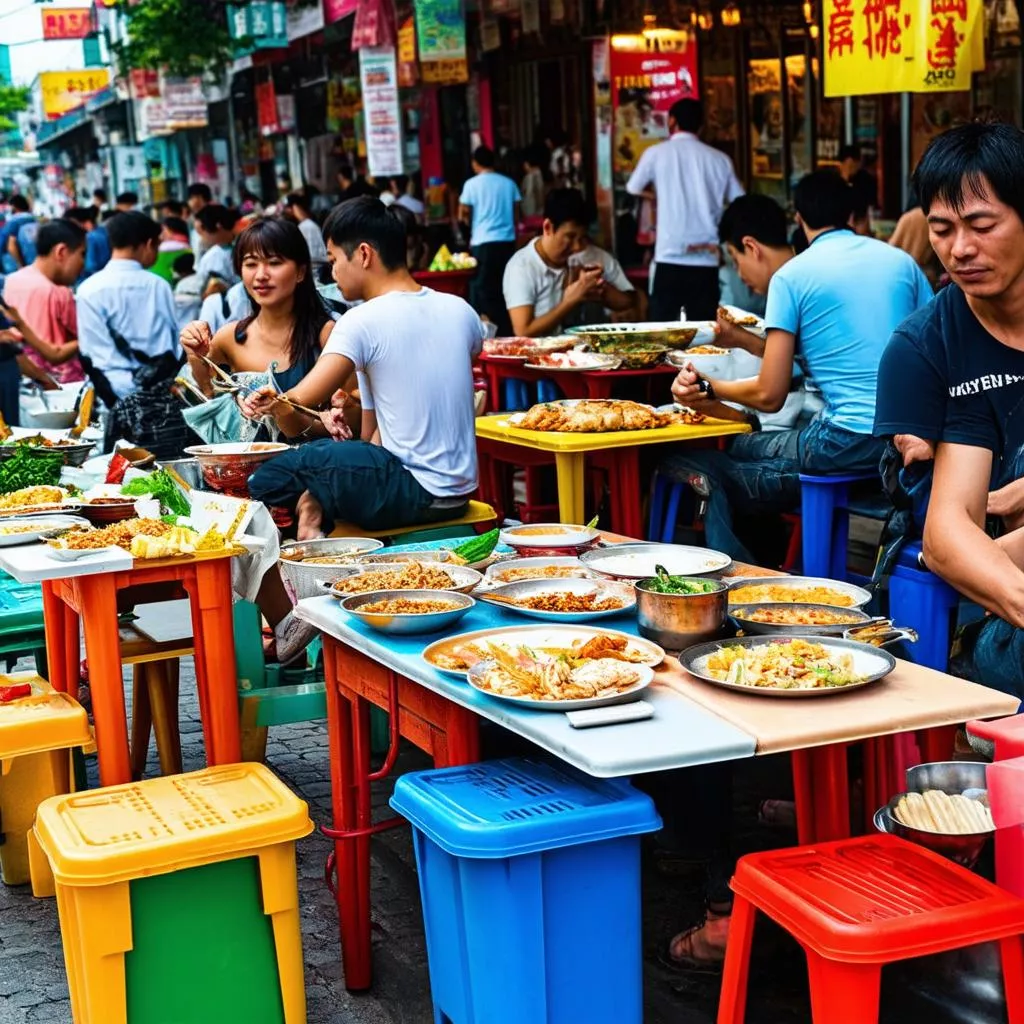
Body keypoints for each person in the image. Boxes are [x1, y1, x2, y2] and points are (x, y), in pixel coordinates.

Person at [665, 173, 933, 563]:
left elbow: (770, 396)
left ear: (800, 218)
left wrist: (709, 389)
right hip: (908, 437)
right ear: (852, 213)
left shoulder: (793, 276)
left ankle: (743, 567)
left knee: (739, 445)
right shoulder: (901, 262)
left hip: (844, 440)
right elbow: (927, 345)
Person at [872, 122, 1024, 698]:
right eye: (942, 229)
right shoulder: (930, 347)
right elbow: (946, 533)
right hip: (985, 605)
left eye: (982, 225)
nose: (960, 248)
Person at [240, 195, 485, 543]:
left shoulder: (360, 321)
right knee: (340, 457)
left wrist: (269, 398)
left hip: (411, 490)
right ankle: (313, 505)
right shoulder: (462, 310)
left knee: (269, 473)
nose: (332, 272)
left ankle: (309, 510)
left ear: (365, 254)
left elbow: (303, 396)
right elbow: (374, 435)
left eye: (334, 260)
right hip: (457, 493)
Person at [625, 99, 743, 321]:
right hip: (706, 259)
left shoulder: (656, 153)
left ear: (672, 121)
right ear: (701, 126)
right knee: (706, 330)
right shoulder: (720, 160)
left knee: (663, 330)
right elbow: (739, 202)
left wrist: (658, 196)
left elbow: (633, 187)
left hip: (669, 255)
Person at [75, 210, 181, 404]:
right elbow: (174, 342)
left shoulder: (88, 289)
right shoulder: (158, 286)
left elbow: (89, 351)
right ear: (150, 244)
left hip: (108, 394)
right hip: (156, 394)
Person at [503, 189, 635, 336]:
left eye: (581, 238)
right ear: (548, 227)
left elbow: (627, 302)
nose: (577, 246)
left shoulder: (589, 256)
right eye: (570, 237)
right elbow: (523, 331)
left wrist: (598, 288)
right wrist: (571, 300)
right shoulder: (522, 267)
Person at [2, 218, 86, 384]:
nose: (83, 263)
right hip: (65, 382)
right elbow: (73, 340)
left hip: (27, 379)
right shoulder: (59, 291)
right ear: (61, 252)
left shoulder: (12, 281)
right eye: (82, 254)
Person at [458, 146, 522, 334]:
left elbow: (463, 213)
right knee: (506, 286)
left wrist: (468, 228)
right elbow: (517, 213)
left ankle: (488, 331)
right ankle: (508, 327)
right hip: (507, 242)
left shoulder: (471, 184)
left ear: (475, 163)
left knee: (483, 289)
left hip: (482, 242)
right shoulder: (509, 183)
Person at [194, 205, 240, 298]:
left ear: (218, 225)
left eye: (202, 231)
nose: (202, 237)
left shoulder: (214, 256)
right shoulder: (213, 253)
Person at [282, 193, 328, 275]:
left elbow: (314, 257)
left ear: (295, 207)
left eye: (288, 207)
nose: (286, 211)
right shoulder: (304, 225)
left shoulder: (307, 226)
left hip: (317, 273)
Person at [63, 206, 111, 278]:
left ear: (87, 223)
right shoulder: (104, 232)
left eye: (72, 225)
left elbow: (90, 266)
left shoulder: (89, 238)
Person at [1, 195, 35, 274]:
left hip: (16, 268)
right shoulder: (34, 221)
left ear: (13, 207)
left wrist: (20, 264)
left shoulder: (14, 222)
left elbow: (11, 245)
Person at [520, 145, 548, 220]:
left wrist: (529, 216)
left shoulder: (530, 177)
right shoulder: (544, 174)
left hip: (534, 217)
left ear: (527, 163)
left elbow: (530, 196)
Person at [187, 182, 212, 255]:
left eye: (191, 198)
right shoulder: (192, 219)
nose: (189, 202)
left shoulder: (212, 215)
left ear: (199, 197)